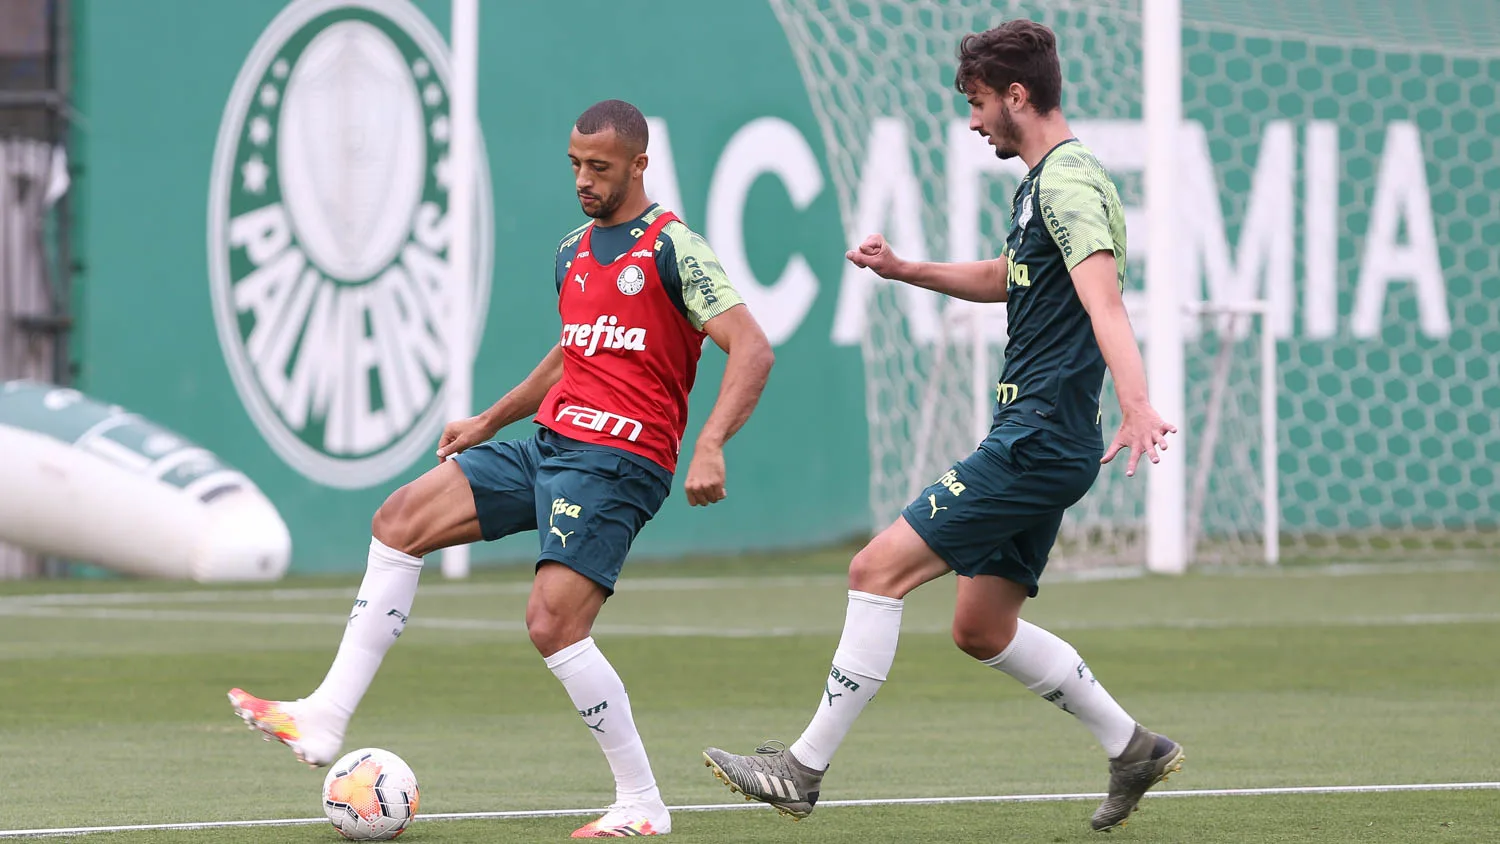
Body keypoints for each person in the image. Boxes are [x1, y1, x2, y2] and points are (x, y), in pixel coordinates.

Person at [230, 98, 775, 839]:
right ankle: (324, 718)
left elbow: (751, 346)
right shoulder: (572, 250)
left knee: (552, 623)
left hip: (618, 460)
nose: (584, 180)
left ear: (640, 166)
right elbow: (571, 352)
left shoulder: (675, 248)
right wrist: (490, 420)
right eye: (576, 165)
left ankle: (642, 804)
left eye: (601, 168)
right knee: (398, 520)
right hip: (549, 444)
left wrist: (711, 442)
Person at [702, 20, 1182, 833]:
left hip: (1037, 436)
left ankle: (802, 769)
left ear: (1017, 96)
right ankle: (1131, 745)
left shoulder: (1066, 183)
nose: (973, 122)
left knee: (873, 570)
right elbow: (1011, 278)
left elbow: (1104, 301)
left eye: (979, 103)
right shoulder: (1049, 182)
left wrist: (1137, 402)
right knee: (980, 626)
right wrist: (906, 269)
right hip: (1045, 436)